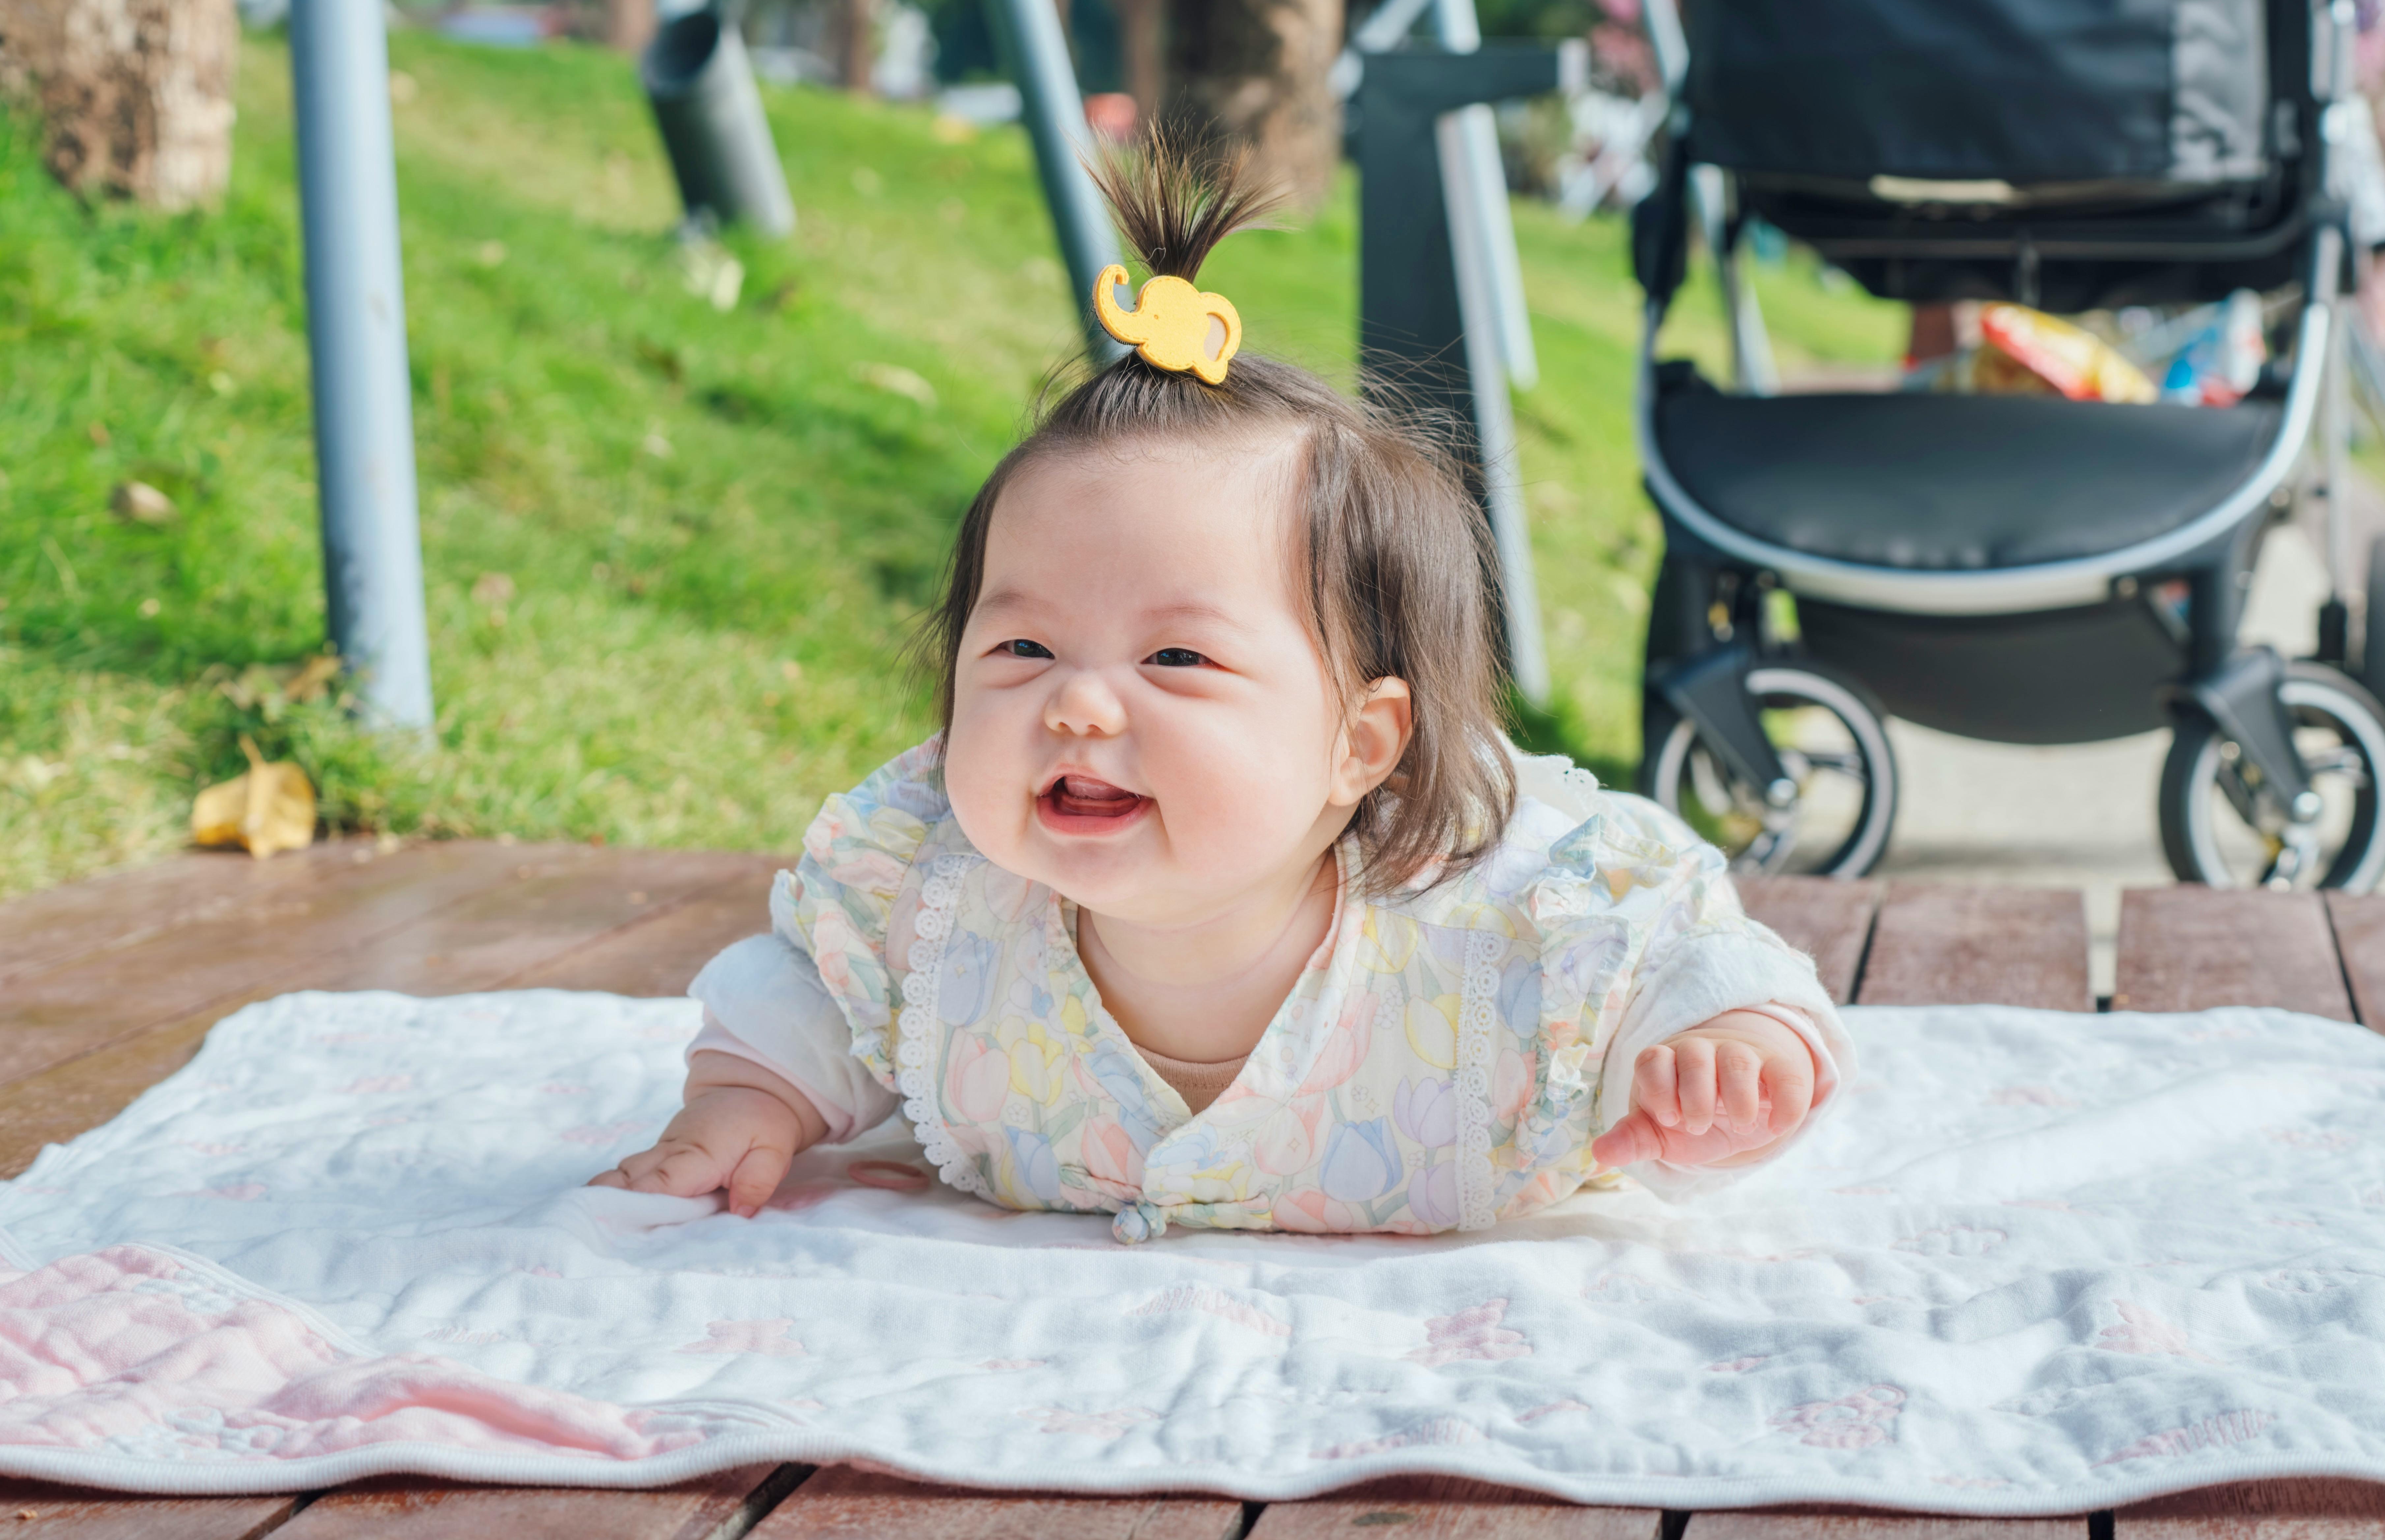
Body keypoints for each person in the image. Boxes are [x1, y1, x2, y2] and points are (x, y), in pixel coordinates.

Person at [592, 132, 1854, 1243]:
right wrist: (745, 1101)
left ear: (1361, 744)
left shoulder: (1522, 927)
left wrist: (1730, 1060)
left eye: (1177, 659)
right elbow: (803, 1004)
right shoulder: (925, 905)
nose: (1077, 707)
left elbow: (1688, 968)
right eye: (1020, 651)